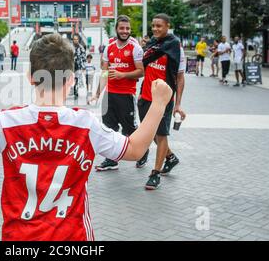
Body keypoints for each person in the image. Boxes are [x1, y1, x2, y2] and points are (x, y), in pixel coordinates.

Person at [0, 32, 172, 241]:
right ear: (71, 80)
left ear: (30, 77)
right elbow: (136, 149)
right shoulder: (85, 124)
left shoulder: (8, 122)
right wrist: (159, 103)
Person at [137, 13, 186, 190]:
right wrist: (142, 93)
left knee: (161, 134)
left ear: (167, 26)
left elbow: (180, 78)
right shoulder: (151, 44)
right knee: (152, 135)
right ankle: (171, 157)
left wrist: (178, 104)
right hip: (146, 97)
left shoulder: (175, 47)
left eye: (160, 26)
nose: (156, 29)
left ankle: (155, 174)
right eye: (154, 26)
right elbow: (145, 69)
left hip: (163, 98)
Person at [91, 15, 145, 172]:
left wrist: (123, 75)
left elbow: (141, 72)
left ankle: (143, 151)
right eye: (122, 28)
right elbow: (105, 73)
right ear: (116, 29)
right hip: (110, 95)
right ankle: (111, 159)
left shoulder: (135, 48)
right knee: (108, 128)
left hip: (126, 95)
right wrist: (97, 93)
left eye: (127, 28)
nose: (125, 31)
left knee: (129, 129)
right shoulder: (109, 48)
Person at [72, 34, 86, 100]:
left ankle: (76, 91)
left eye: (77, 39)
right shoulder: (70, 47)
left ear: (78, 40)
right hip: (71, 66)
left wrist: (83, 67)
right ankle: (72, 89)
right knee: (71, 79)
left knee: (76, 79)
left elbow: (84, 58)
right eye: (74, 39)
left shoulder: (81, 48)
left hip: (78, 66)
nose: (75, 40)